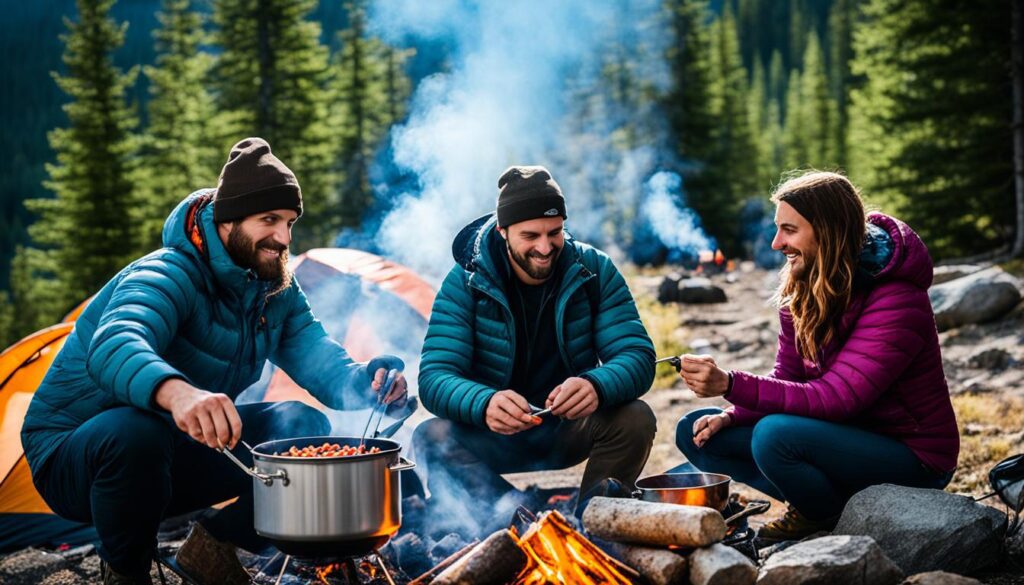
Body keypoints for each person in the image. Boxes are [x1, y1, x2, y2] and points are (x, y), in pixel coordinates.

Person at [21, 138, 410, 584]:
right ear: (227, 222)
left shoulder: (273, 287)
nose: (283, 238)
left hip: (171, 451)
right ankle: (125, 573)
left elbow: (319, 357)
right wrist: (178, 393)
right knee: (136, 430)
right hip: (77, 459)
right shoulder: (168, 272)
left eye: (288, 223)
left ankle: (213, 546)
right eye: (269, 220)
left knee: (300, 424)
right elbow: (113, 343)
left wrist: (369, 382)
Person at [672, 171, 959, 541]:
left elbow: (838, 398)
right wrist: (734, 414)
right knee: (696, 431)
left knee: (775, 436)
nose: (777, 243)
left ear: (827, 230)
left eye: (789, 230)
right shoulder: (805, 284)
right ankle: (828, 502)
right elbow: (789, 379)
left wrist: (730, 384)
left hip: (913, 457)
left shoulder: (897, 300)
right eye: (778, 229)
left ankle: (821, 515)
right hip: (842, 438)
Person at [412, 165, 657, 533]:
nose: (545, 247)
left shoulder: (593, 269)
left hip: (567, 426)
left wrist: (597, 384)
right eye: (530, 235)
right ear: (502, 231)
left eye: (554, 232)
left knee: (634, 418)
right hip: (493, 431)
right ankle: (513, 520)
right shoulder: (465, 281)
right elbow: (434, 378)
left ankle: (595, 524)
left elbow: (637, 356)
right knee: (429, 437)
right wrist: (483, 403)